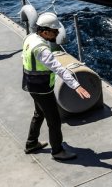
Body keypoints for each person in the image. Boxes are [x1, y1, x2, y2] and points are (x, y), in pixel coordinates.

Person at [22, 12, 91, 161]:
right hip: (42, 88)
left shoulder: (30, 38)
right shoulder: (43, 50)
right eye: (55, 31)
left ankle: (31, 143)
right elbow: (58, 68)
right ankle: (57, 151)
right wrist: (76, 86)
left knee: (39, 113)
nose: (58, 33)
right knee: (54, 120)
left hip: (31, 84)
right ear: (45, 32)